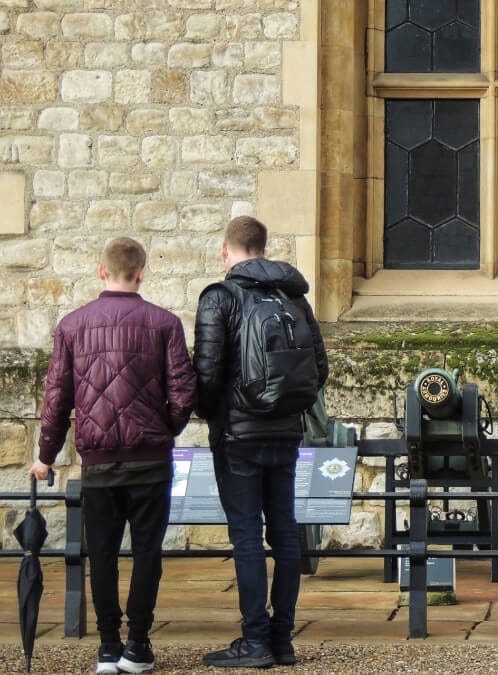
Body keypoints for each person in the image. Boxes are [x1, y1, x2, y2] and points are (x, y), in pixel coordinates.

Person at [30, 236, 197, 673]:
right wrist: (164, 431)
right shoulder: (165, 323)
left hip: (99, 465)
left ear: (101, 270)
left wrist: (45, 456)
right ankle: (138, 646)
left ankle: (107, 646)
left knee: (101, 554)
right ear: (142, 272)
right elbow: (183, 392)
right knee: (148, 553)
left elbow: (56, 399)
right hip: (150, 462)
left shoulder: (72, 325)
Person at [193, 216, 328, 668]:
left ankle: (254, 641)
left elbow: (207, 374)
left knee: (247, 536)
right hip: (286, 432)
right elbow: (319, 369)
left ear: (225, 250)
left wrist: (212, 413)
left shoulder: (220, 297)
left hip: (238, 436)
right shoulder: (295, 296)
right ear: (264, 248)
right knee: (286, 533)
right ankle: (283, 639)